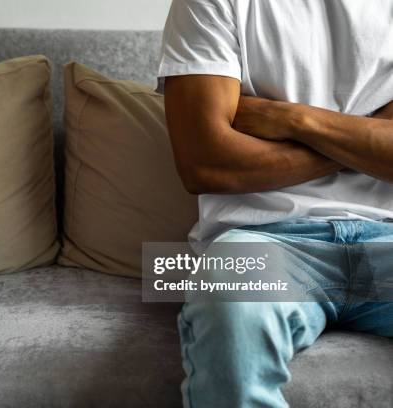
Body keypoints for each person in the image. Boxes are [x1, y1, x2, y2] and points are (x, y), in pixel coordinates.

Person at [158, 0, 393, 406]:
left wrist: (292, 120)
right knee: (227, 300)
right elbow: (204, 164)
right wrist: (366, 139)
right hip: (263, 239)